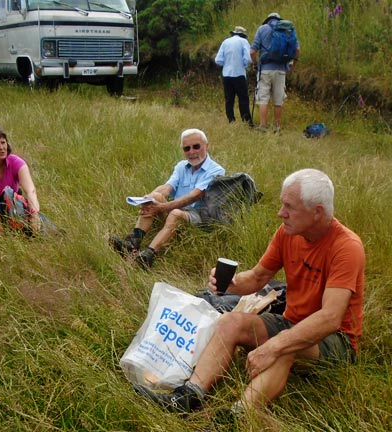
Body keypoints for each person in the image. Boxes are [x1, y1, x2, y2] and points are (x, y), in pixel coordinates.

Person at [134, 169, 365, 420]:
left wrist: (274, 345)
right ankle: (188, 396)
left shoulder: (346, 247)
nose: (281, 213)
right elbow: (256, 278)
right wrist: (229, 284)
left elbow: (331, 318)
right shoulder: (287, 233)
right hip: (291, 320)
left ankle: (239, 416)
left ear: (317, 211)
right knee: (231, 321)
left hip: (335, 339)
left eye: (289, 207)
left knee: (286, 346)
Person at [110, 129, 225, 269]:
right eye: (187, 148)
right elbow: (167, 187)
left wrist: (163, 207)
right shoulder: (181, 166)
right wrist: (149, 198)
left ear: (206, 145)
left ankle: (148, 255)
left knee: (175, 213)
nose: (192, 152)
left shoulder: (216, 171)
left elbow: (194, 196)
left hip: (200, 217)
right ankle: (133, 243)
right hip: (176, 209)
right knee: (155, 198)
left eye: (196, 146)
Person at [250, 12, 300, 134]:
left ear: (267, 19)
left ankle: (263, 126)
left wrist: (255, 64)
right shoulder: (287, 30)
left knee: (263, 98)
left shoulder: (262, 29)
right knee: (278, 100)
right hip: (281, 70)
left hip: (265, 69)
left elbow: (252, 52)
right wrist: (294, 64)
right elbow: (297, 49)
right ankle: (277, 127)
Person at [215, 26, 253, 126]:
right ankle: (247, 121)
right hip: (239, 74)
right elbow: (248, 59)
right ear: (243, 35)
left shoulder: (225, 42)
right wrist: (243, 65)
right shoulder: (243, 42)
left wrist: (226, 64)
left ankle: (231, 120)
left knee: (229, 99)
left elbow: (218, 60)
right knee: (243, 98)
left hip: (227, 75)